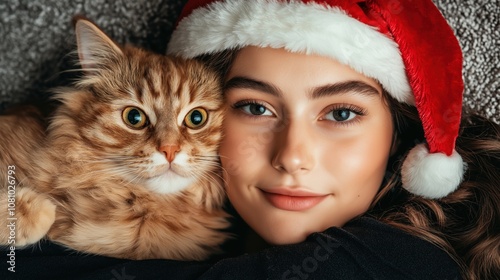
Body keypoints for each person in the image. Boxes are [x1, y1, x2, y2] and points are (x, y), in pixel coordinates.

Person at [4, 0, 499, 279]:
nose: (292, 158)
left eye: (342, 112)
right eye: (256, 108)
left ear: (400, 135)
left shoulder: (397, 265)